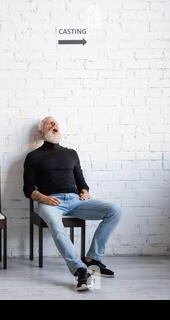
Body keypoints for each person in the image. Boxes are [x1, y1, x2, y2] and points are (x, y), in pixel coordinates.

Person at [23, 116, 122, 291]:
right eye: (49, 123)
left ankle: (93, 260)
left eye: (55, 122)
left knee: (114, 210)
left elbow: (81, 181)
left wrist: (84, 191)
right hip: (51, 201)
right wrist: (44, 198)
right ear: (41, 132)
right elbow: (28, 188)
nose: (53, 124)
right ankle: (80, 269)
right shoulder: (33, 156)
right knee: (56, 226)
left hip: (75, 201)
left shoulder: (71, 153)